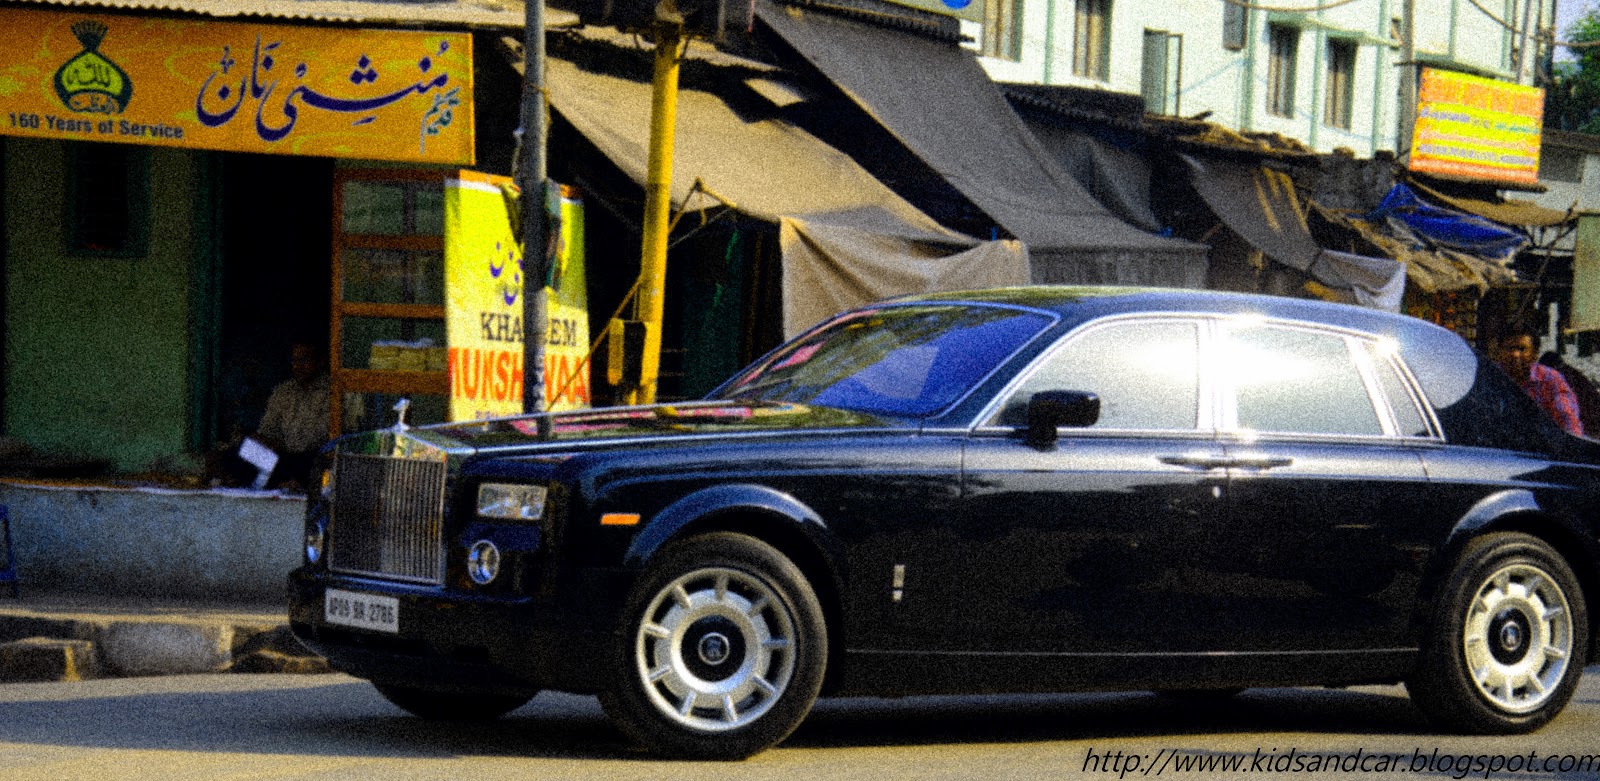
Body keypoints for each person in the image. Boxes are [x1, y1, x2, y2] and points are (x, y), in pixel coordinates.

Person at [208, 342, 330, 490]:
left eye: (304, 360)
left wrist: (282, 446)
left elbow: (326, 438)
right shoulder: (283, 391)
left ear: (321, 361)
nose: (298, 366)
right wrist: (262, 440)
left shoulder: (331, 391)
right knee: (236, 453)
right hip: (281, 459)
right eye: (295, 360)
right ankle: (278, 483)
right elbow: (267, 431)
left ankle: (283, 482)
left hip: (312, 460)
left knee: (311, 465)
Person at [1491, 331, 1583, 436]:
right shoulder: (1488, 376)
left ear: (1534, 354)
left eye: (1522, 349)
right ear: (1499, 352)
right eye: (1510, 348)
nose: (1515, 354)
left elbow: (1567, 418)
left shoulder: (1550, 380)